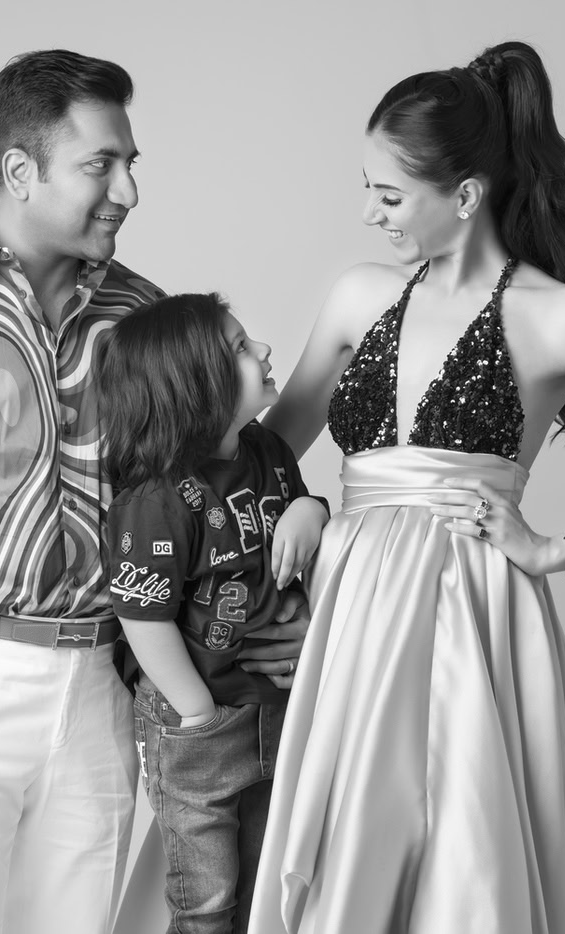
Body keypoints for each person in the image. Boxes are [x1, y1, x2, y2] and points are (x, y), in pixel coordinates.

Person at [0, 50, 307, 934]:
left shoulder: (144, 318)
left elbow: (213, 487)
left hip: (104, 689)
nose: (128, 192)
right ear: (19, 171)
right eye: (101, 165)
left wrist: (274, 594)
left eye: (130, 165)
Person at [247, 41, 565, 934]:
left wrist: (550, 552)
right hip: (344, 605)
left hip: (468, 605)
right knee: (346, 847)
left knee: (464, 854)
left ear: (465, 196)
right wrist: (306, 503)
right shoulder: (359, 297)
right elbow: (269, 448)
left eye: (389, 196)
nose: (367, 213)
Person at [97, 294, 329, 934]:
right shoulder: (157, 499)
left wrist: (312, 512)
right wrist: (195, 712)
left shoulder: (269, 453)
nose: (264, 351)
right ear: (195, 387)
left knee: (260, 887)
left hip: (268, 710)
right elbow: (144, 619)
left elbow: (300, 505)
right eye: (241, 347)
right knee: (205, 901)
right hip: (196, 724)